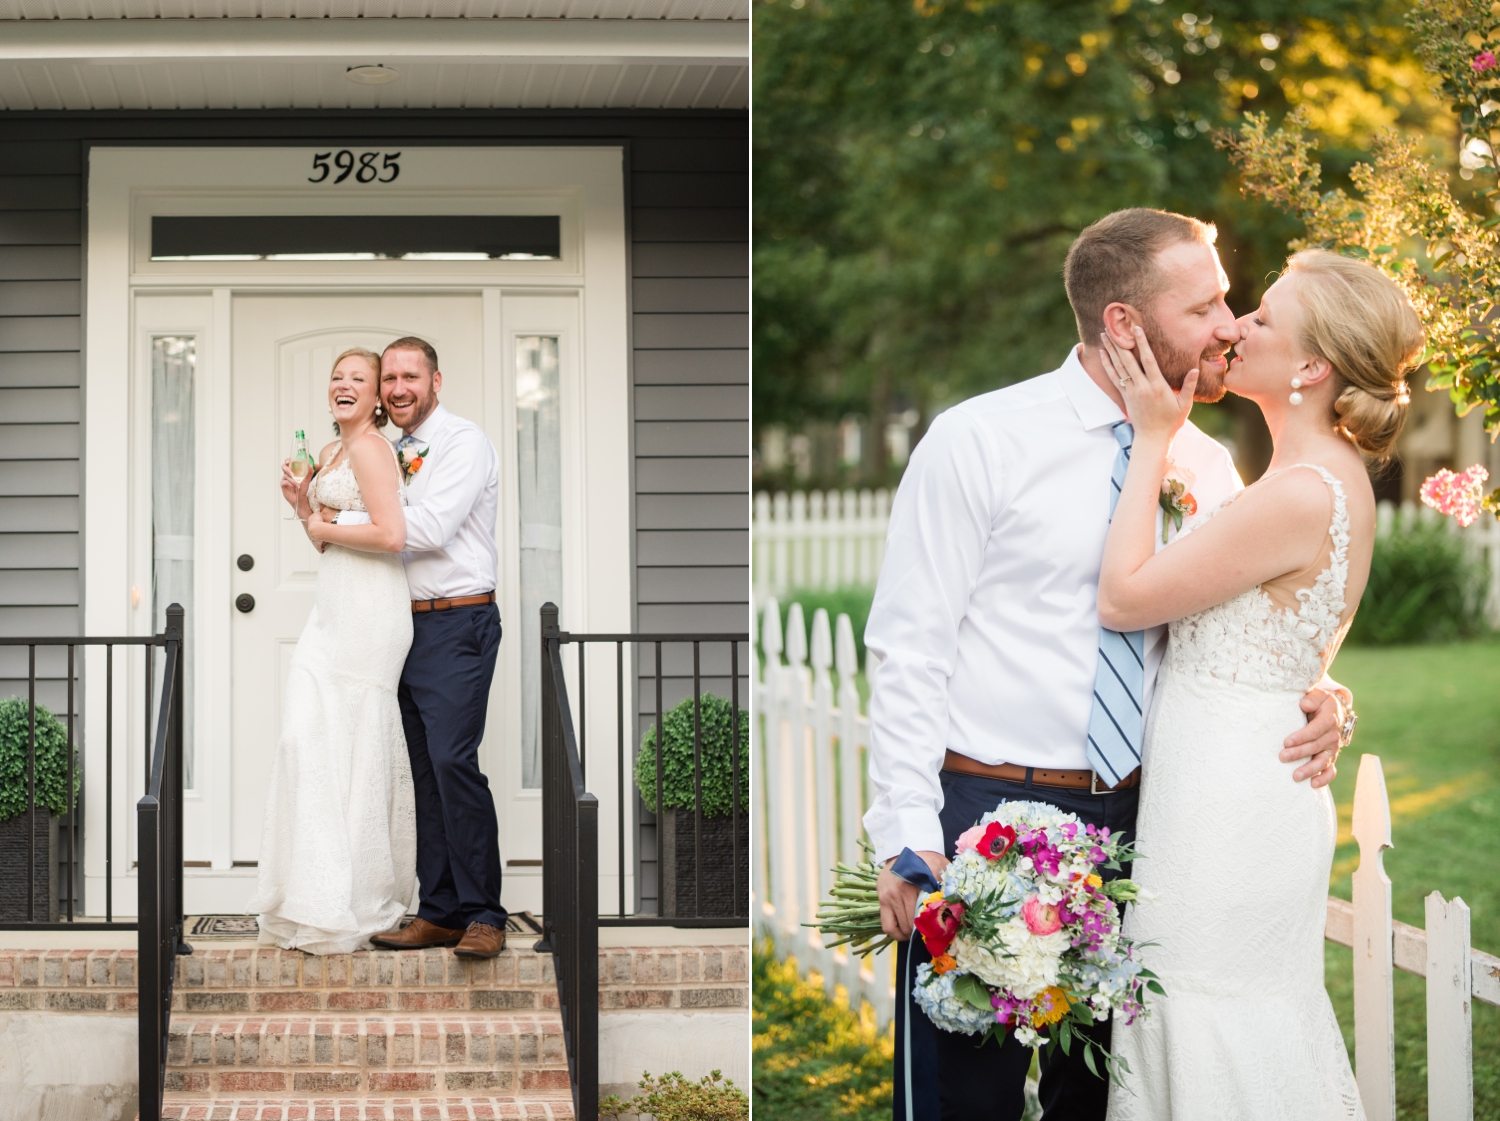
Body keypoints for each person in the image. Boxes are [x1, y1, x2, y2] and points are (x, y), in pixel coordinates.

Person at [864, 210, 1356, 1120]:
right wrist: (908, 829)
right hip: (984, 815)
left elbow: (1243, 615)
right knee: (961, 1096)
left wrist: (1319, 691)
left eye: (1230, 300)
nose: (1228, 323)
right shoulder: (979, 440)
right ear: (1126, 323)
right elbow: (910, 645)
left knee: (1105, 1096)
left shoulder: (1207, 466)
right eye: (1206, 303)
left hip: (1147, 826)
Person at [1096, 248, 1418, 1120]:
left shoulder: (1303, 490)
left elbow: (1125, 598)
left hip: (1228, 806)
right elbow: (1284, 637)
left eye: (1263, 318)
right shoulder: (1311, 480)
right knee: (1213, 1009)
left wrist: (1153, 433)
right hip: (1238, 778)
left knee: (1205, 1011)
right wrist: (1331, 692)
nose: (1236, 327)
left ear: (1311, 368)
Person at [339, 336, 510, 960]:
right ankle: (439, 910)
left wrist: (346, 525)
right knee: (422, 776)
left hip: (455, 623)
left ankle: (485, 913)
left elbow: (430, 528)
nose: (398, 388)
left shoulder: (463, 441)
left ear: (436, 381)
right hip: (397, 626)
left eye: (411, 376)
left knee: (453, 763)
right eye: (389, 379)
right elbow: (380, 522)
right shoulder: (388, 448)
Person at [252, 347, 417, 955]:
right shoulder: (329, 454)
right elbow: (326, 545)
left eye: (358, 379)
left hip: (373, 611)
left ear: (376, 398)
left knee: (354, 737)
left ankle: (360, 892)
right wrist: (303, 509)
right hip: (334, 604)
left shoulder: (374, 448)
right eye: (337, 377)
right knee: (308, 736)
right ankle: (315, 891)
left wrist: (321, 525)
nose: (344, 386)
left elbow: (391, 536)